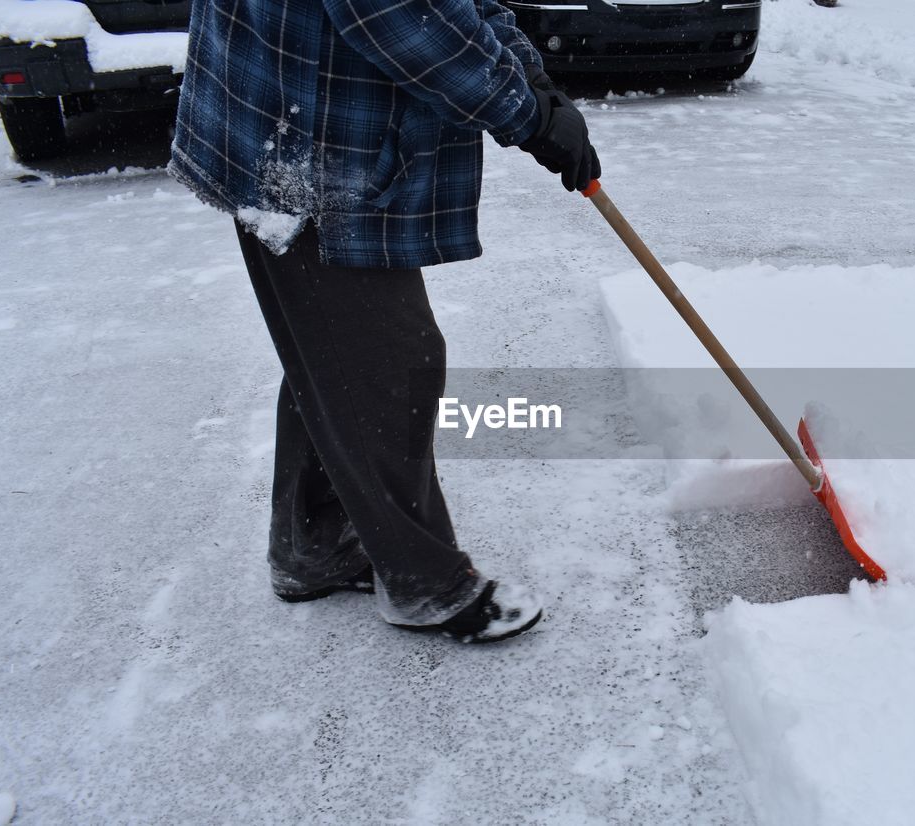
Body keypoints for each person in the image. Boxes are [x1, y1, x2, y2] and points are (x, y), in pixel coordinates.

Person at [168, 0, 600, 643]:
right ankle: (424, 582)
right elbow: (405, 17)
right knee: (385, 362)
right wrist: (526, 113)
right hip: (305, 130)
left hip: (312, 116)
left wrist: (531, 80)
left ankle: (314, 546)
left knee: (338, 350)